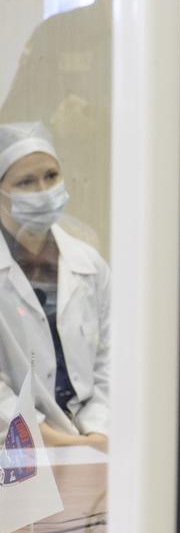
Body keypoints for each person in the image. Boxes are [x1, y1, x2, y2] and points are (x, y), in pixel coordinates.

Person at [0, 121, 109, 449]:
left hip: (93, 442)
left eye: (51, 176)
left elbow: (111, 360)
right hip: (14, 451)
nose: (43, 191)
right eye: (26, 182)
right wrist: (54, 440)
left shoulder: (88, 264)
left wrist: (98, 432)